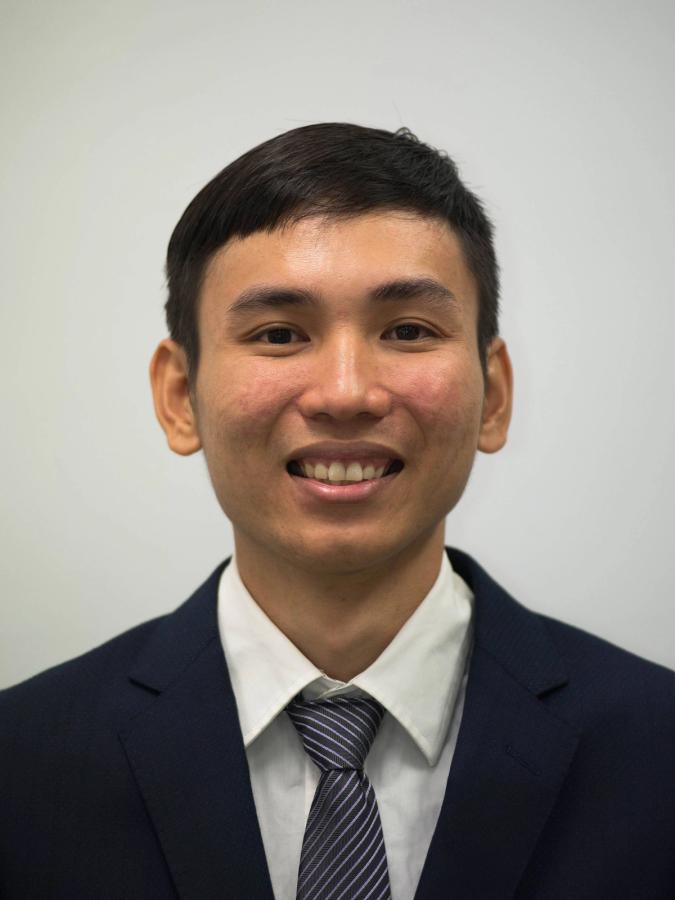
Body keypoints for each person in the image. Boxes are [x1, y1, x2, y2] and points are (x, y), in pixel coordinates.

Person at [1, 123, 673, 900]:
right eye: (279, 334)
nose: (346, 393)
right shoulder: (23, 762)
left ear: (493, 395)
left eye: (408, 331)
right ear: (180, 397)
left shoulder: (656, 749)